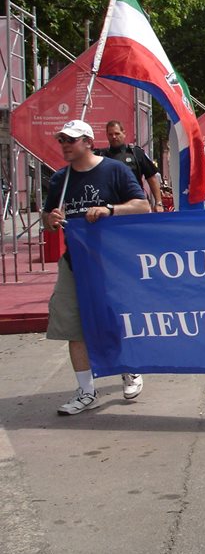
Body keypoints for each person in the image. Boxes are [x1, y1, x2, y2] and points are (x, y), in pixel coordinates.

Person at [42, 120, 150, 415]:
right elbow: (47, 220)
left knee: (114, 320)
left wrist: (110, 210)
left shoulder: (114, 170)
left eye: (71, 140)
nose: (65, 145)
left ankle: (129, 368)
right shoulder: (60, 179)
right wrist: (51, 220)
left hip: (110, 264)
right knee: (72, 326)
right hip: (74, 262)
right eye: (62, 140)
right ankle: (86, 391)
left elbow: (142, 206)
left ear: (88, 142)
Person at [100, 120, 164, 212]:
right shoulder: (101, 156)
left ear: (124, 133)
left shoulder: (136, 153)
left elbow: (151, 178)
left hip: (135, 205)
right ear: (107, 135)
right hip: (110, 207)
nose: (114, 137)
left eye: (117, 133)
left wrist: (158, 203)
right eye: (110, 134)